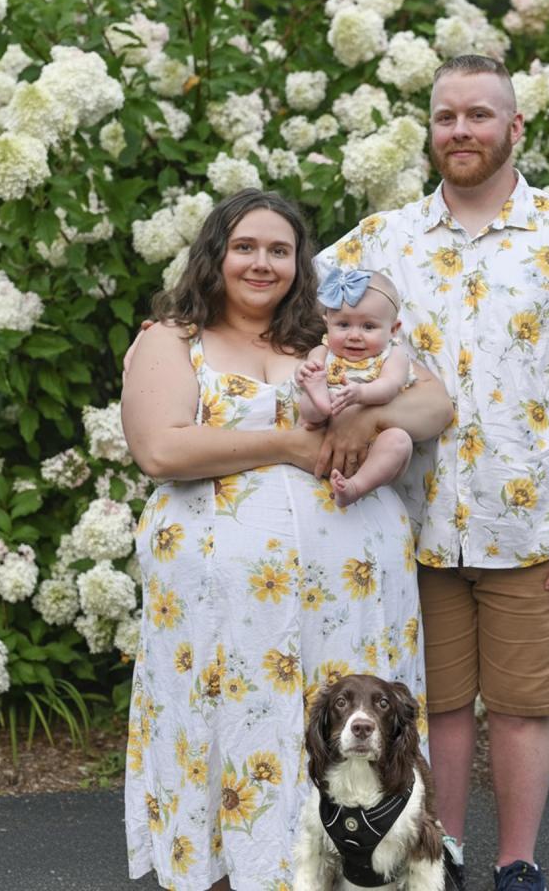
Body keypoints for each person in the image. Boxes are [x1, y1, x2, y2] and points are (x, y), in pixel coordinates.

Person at [315, 54, 549, 891]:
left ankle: (517, 862)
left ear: (514, 126)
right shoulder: (380, 242)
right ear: (430, 130)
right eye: (446, 117)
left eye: (479, 115)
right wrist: (177, 333)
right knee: (437, 705)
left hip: (532, 523)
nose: (460, 130)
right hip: (410, 521)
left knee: (526, 706)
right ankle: (445, 855)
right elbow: (274, 301)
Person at [120, 188, 452, 891]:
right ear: (215, 254)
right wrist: (289, 445)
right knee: (231, 724)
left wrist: (369, 417)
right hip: (223, 606)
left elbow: (434, 403)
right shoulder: (173, 339)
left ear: (301, 263)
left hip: (350, 598)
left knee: (350, 732)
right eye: (245, 247)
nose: (262, 263)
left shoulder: (331, 335)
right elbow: (160, 449)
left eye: (280, 249)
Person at [296, 267, 415, 507]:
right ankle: (321, 402)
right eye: (343, 325)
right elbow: (306, 370)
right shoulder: (322, 351)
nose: (354, 335)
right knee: (308, 398)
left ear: (393, 329)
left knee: (400, 441)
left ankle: (355, 487)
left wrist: (361, 393)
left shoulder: (393, 356)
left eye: (368, 327)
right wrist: (305, 373)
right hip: (320, 432)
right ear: (327, 324)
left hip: (371, 444)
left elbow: (390, 386)